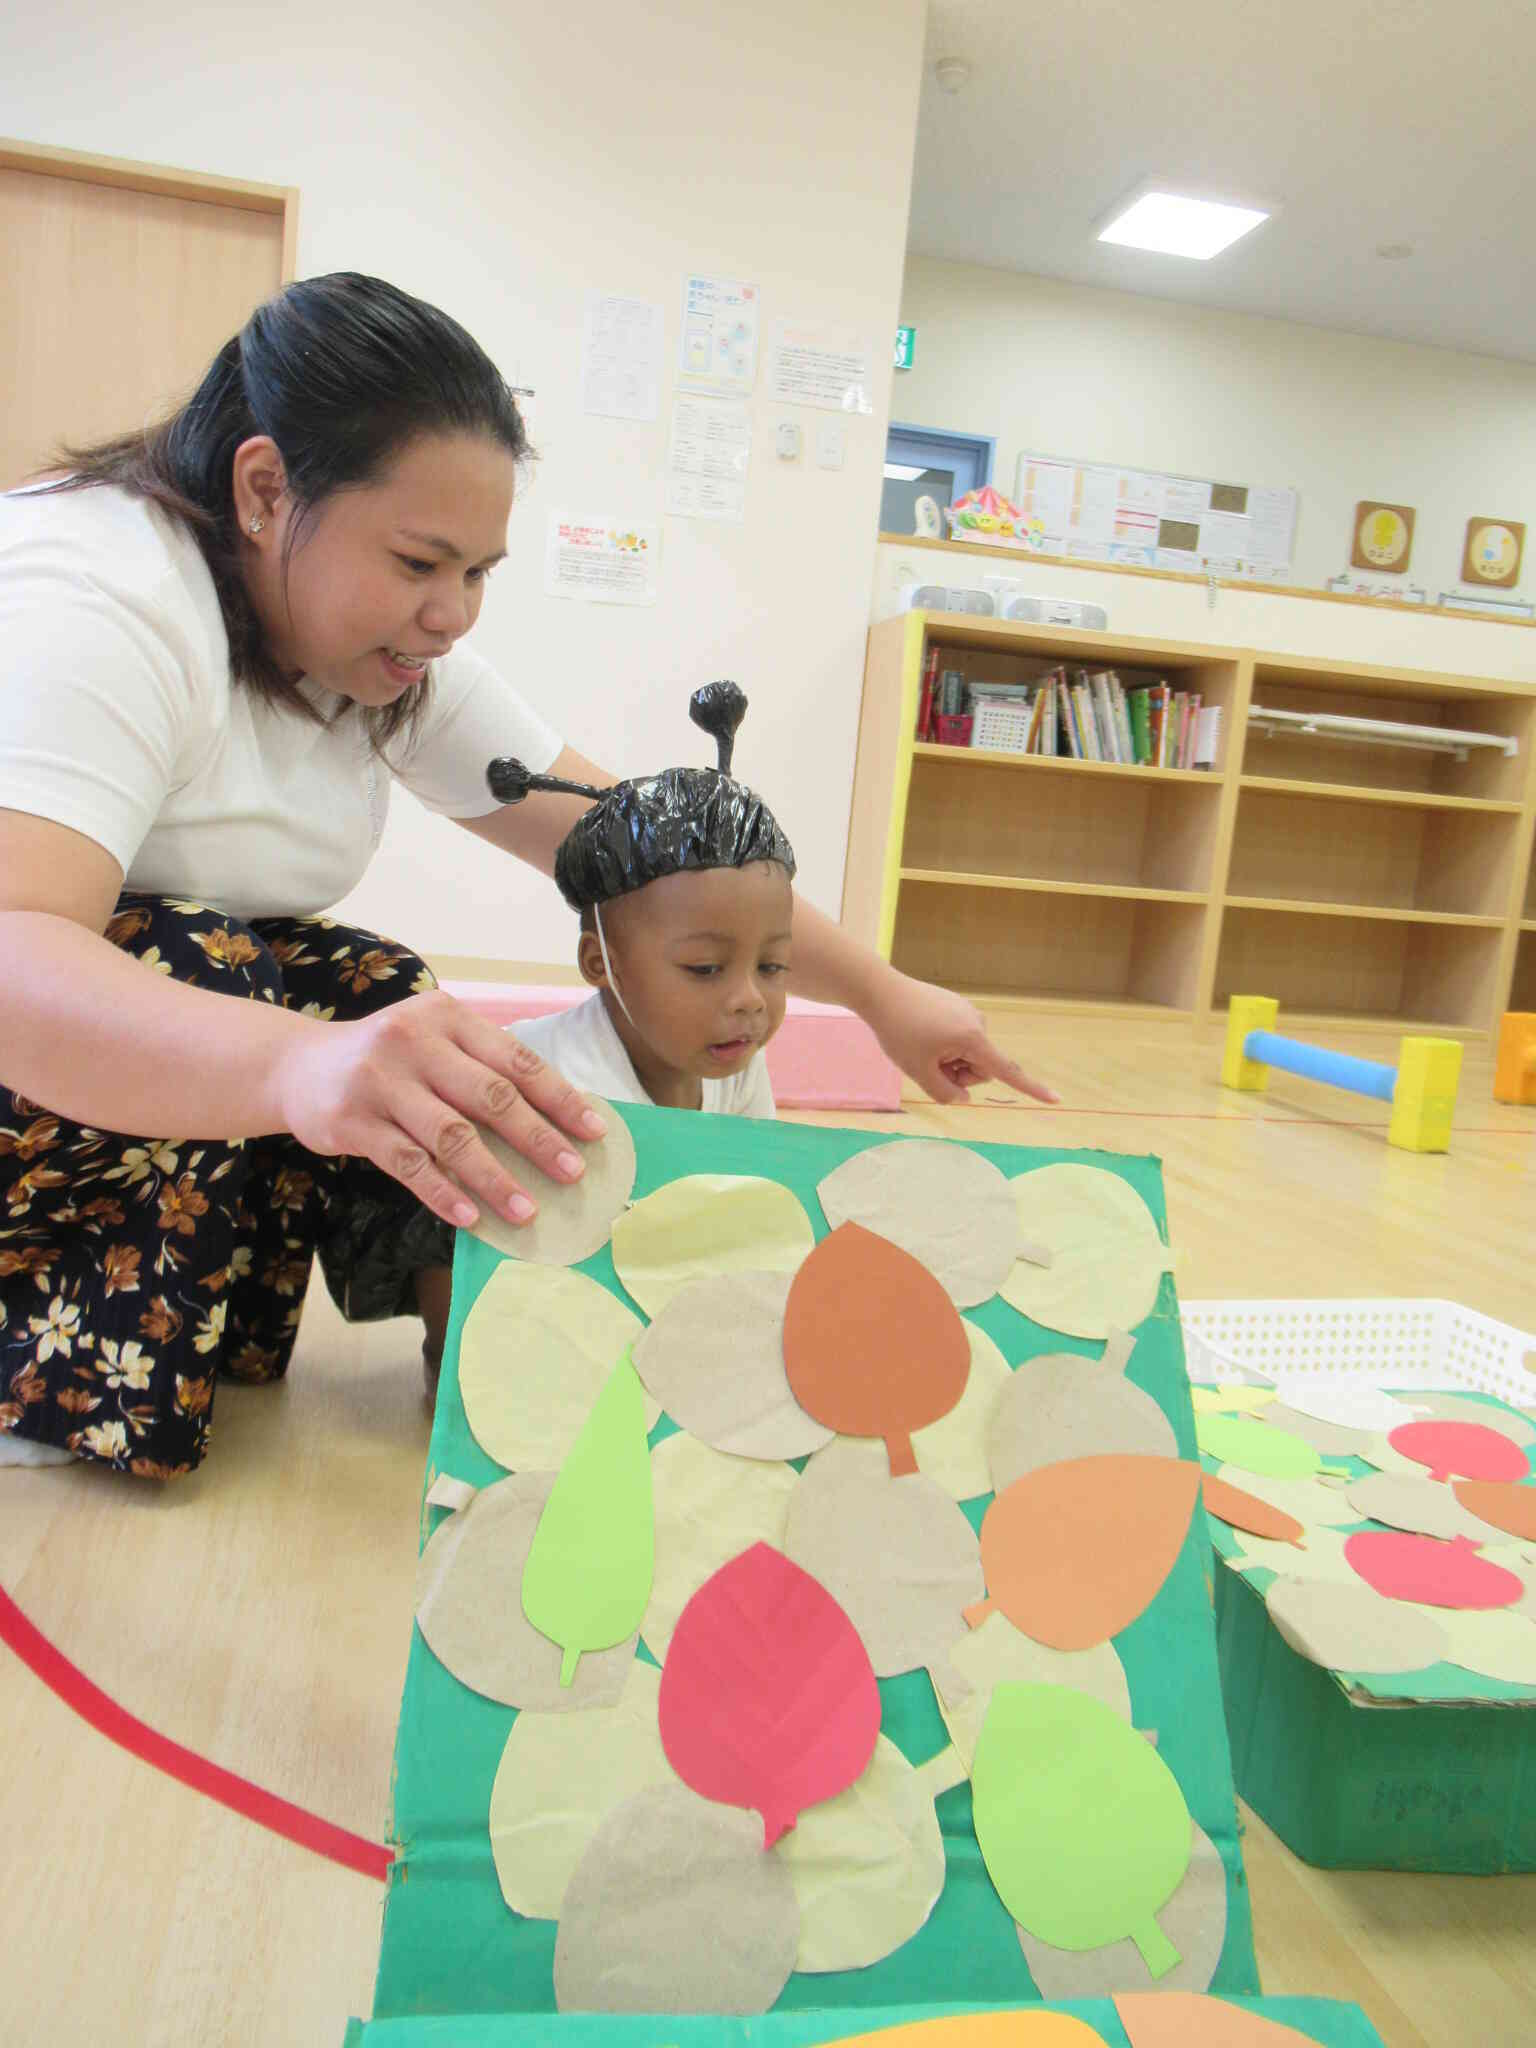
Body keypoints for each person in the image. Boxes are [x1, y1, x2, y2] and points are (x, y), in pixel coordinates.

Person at [0, 271, 1053, 1481]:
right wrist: (299, 1061)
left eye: (479, 571)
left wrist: (879, 993)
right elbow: (19, 952)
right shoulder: (99, 595)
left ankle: (174, 1347)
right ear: (263, 487)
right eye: (418, 560)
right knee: (240, 981)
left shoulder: (387, 654)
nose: (452, 614)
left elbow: (661, 853)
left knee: (369, 993)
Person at [495, 682, 792, 1115]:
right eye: (705, 968)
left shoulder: (738, 1059)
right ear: (601, 963)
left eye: (771, 966)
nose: (750, 998)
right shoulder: (559, 1086)